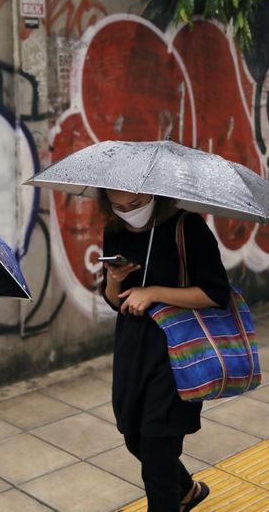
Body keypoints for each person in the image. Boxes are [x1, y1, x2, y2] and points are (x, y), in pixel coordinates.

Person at [99, 189, 229, 512]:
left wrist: (154, 292)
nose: (129, 211)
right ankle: (187, 489)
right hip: (133, 348)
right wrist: (114, 280)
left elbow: (217, 293)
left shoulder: (189, 228)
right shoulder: (114, 230)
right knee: (134, 437)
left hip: (177, 352)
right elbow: (115, 301)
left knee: (157, 451)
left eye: (136, 204)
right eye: (119, 206)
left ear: (153, 195)